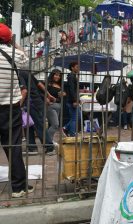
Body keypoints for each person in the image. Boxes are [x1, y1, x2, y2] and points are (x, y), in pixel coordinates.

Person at [0, 23, 34, 198]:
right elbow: (26, 58)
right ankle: (19, 187)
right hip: (9, 108)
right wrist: (13, 43)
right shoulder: (14, 53)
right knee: (13, 147)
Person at [19, 70, 57, 156]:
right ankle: (31, 148)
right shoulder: (27, 73)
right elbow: (39, 84)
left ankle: (49, 147)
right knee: (28, 125)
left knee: (38, 125)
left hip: (31, 103)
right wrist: (48, 95)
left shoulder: (19, 73)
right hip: (36, 102)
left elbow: (24, 91)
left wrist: (19, 105)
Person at [47, 69, 65, 141]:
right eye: (56, 75)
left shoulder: (59, 85)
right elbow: (44, 94)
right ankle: (48, 142)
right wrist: (47, 101)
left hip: (58, 106)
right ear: (52, 75)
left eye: (59, 76)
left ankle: (49, 141)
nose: (57, 77)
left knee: (51, 125)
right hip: (51, 106)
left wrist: (63, 94)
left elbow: (61, 96)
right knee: (55, 125)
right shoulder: (48, 84)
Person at [64, 62, 80, 137]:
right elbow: (71, 89)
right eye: (77, 67)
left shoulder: (74, 76)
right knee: (75, 117)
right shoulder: (71, 76)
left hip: (73, 99)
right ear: (72, 68)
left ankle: (66, 128)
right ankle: (72, 133)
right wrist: (74, 100)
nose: (78, 68)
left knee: (77, 116)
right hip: (71, 101)